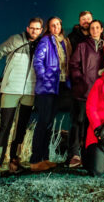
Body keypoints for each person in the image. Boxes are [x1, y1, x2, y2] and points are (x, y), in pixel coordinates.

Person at [0, 17, 42, 177]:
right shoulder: (15, 39)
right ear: (27, 28)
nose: (34, 31)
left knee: (20, 129)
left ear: (41, 30)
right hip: (10, 89)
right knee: (5, 127)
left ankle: (14, 162)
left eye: (37, 29)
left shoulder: (43, 45)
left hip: (29, 92)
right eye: (32, 28)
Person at [29, 16, 71, 171]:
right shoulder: (46, 41)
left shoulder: (62, 42)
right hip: (46, 88)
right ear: (49, 27)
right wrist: (45, 77)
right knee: (42, 123)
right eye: (53, 25)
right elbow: (38, 61)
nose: (56, 27)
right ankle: (35, 160)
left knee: (48, 124)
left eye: (58, 24)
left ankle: (44, 158)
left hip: (57, 87)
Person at [68, 19, 104, 168]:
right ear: (89, 30)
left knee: (95, 124)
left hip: (100, 93)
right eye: (92, 28)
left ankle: (92, 153)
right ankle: (74, 155)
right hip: (83, 92)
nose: (95, 30)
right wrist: (80, 79)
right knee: (79, 122)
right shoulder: (82, 46)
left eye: (97, 28)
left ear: (102, 29)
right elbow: (73, 65)